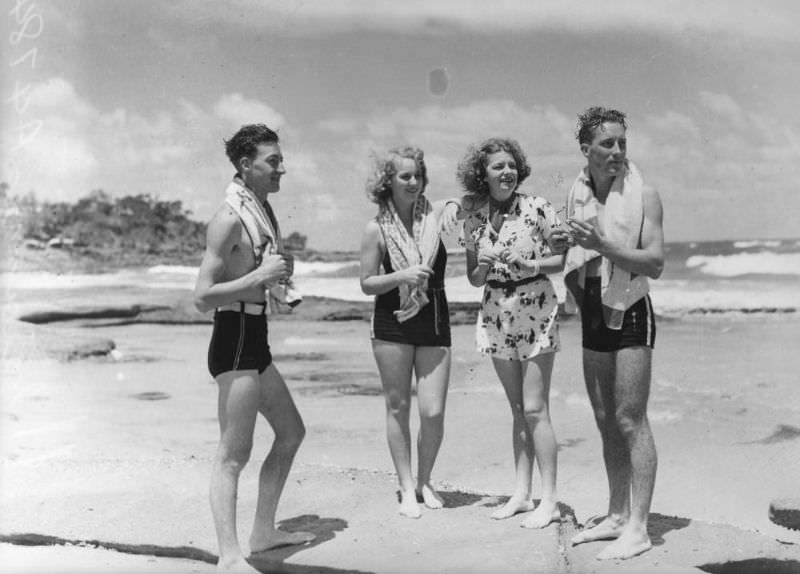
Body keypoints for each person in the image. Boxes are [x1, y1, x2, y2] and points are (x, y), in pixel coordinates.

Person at [194, 124, 315, 573]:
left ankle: (263, 532)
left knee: (291, 432)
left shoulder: (261, 212)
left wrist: (274, 273)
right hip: (234, 337)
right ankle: (229, 557)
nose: (282, 168)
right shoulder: (228, 218)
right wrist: (260, 276)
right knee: (233, 454)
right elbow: (202, 296)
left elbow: (256, 273)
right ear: (246, 165)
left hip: (255, 336)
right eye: (273, 161)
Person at [563, 107, 664, 560]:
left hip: (631, 307)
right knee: (605, 419)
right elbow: (572, 256)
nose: (618, 151)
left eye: (623, 142)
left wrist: (602, 245)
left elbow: (655, 263)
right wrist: (560, 251)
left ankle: (639, 527)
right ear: (587, 150)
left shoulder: (646, 195)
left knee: (630, 419)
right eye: (608, 143)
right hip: (591, 310)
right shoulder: (577, 194)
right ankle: (618, 514)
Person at [458, 137, 566, 529]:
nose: (507, 172)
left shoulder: (538, 207)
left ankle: (550, 500)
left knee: (536, 408)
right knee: (518, 409)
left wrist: (529, 263)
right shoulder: (473, 219)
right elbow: (474, 278)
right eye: (497, 166)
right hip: (496, 312)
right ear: (482, 174)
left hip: (536, 308)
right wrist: (484, 264)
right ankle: (521, 494)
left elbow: (561, 259)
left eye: (511, 165)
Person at [359, 146, 462, 519]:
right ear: (388, 181)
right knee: (398, 406)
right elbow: (366, 283)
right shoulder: (376, 228)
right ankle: (405, 486)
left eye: (418, 175)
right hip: (392, 322)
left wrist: (455, 203)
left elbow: (471, 201)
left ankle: (425, 481)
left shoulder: (435, 214)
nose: (414, 182)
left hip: (434, 319)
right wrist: (402, 275)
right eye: (405, 176)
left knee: (433, 411)